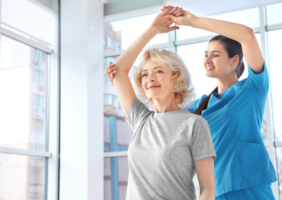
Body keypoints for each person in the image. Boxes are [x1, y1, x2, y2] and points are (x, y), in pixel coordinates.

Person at [107, 6, 277, 200]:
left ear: (234, 60)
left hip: (249, 189)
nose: (207, 60)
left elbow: (247, 35)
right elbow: (168, 113)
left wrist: (192, 21)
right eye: (205, 55)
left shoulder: (253, 90)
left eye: (215, 54)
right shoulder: (198, 107)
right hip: (217, 192)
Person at [109, 7, 217, 200]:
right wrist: (153, 30)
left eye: (158, 71)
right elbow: (117, 70)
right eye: (145, 74)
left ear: (176, 78)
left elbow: (208, 190)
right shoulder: (141, 119)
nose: (150, 78)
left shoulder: (194, 124)